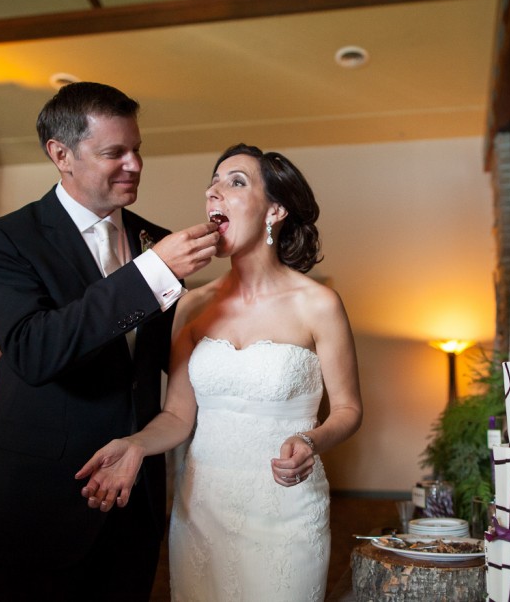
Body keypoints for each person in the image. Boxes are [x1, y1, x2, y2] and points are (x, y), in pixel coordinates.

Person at [0, 81, 220, 601]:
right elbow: (33, 351)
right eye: (113, 152)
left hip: (133, 497)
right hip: (38, 500)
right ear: (61, 155)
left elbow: (176, 357)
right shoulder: (4, 238)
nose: (135, 164)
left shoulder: (153, 237)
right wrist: (151, 274)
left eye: (137, 149)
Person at [77, 143, 363, 601]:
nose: (214, 192)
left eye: (235, 182)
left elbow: (348, 409)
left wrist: (311, 441)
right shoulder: (190, 304)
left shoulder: (318, 304)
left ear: (275, 211)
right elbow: (176, 418)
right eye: (213, 183)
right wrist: (133, 445)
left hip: (285, 511)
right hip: (202, 512)